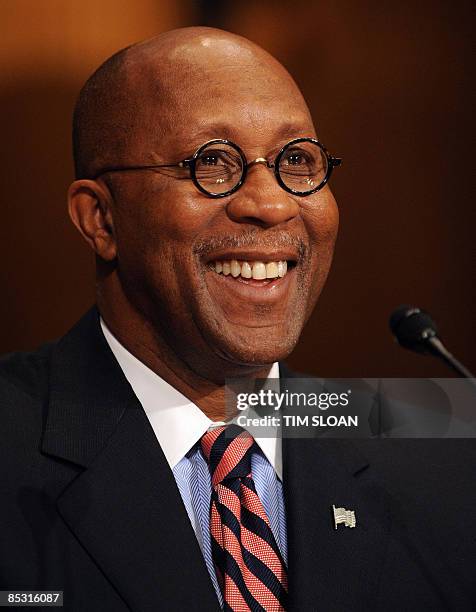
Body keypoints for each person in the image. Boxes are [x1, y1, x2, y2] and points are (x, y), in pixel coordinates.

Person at [1, 27, 474, 612]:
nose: (272, 204)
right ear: (100, 219)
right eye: (213, 163)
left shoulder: (439, 456)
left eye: (296, 161)